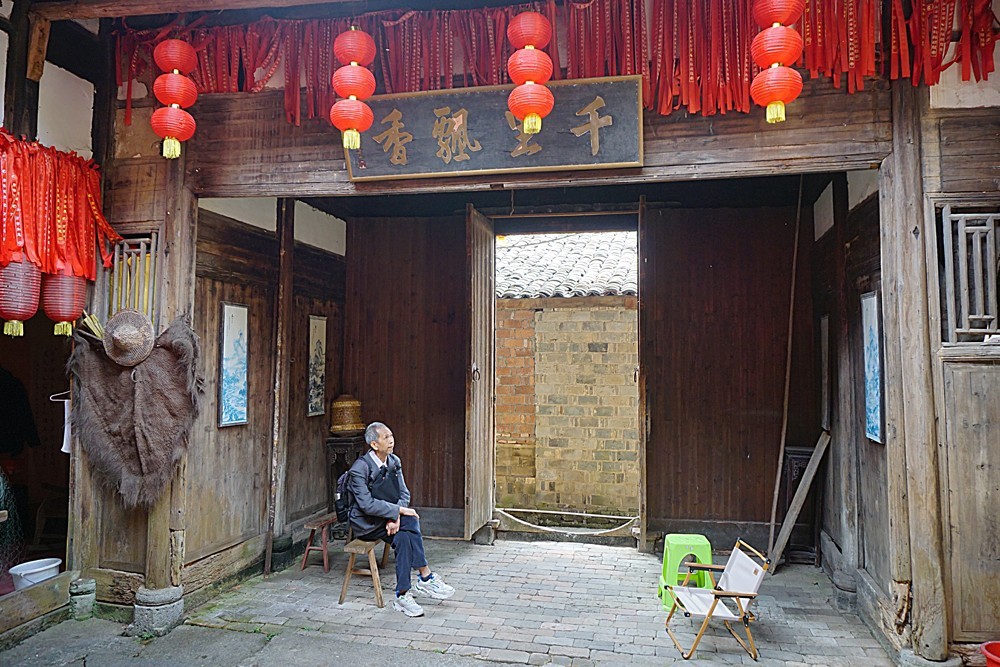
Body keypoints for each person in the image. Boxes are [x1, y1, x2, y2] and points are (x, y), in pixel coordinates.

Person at [347, 421, 454, 616]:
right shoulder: (359, 469)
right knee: (411, 520)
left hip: (387, 520)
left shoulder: (394, 461)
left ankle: (402, 595)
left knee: (404, 537)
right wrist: (397, 513)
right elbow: (366, 504)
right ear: (373, 444)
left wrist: (395, 517)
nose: (391, 440)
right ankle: (425, 576)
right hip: (367, 523)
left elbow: (404, 494)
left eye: (391, 436)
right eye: (385, 437)